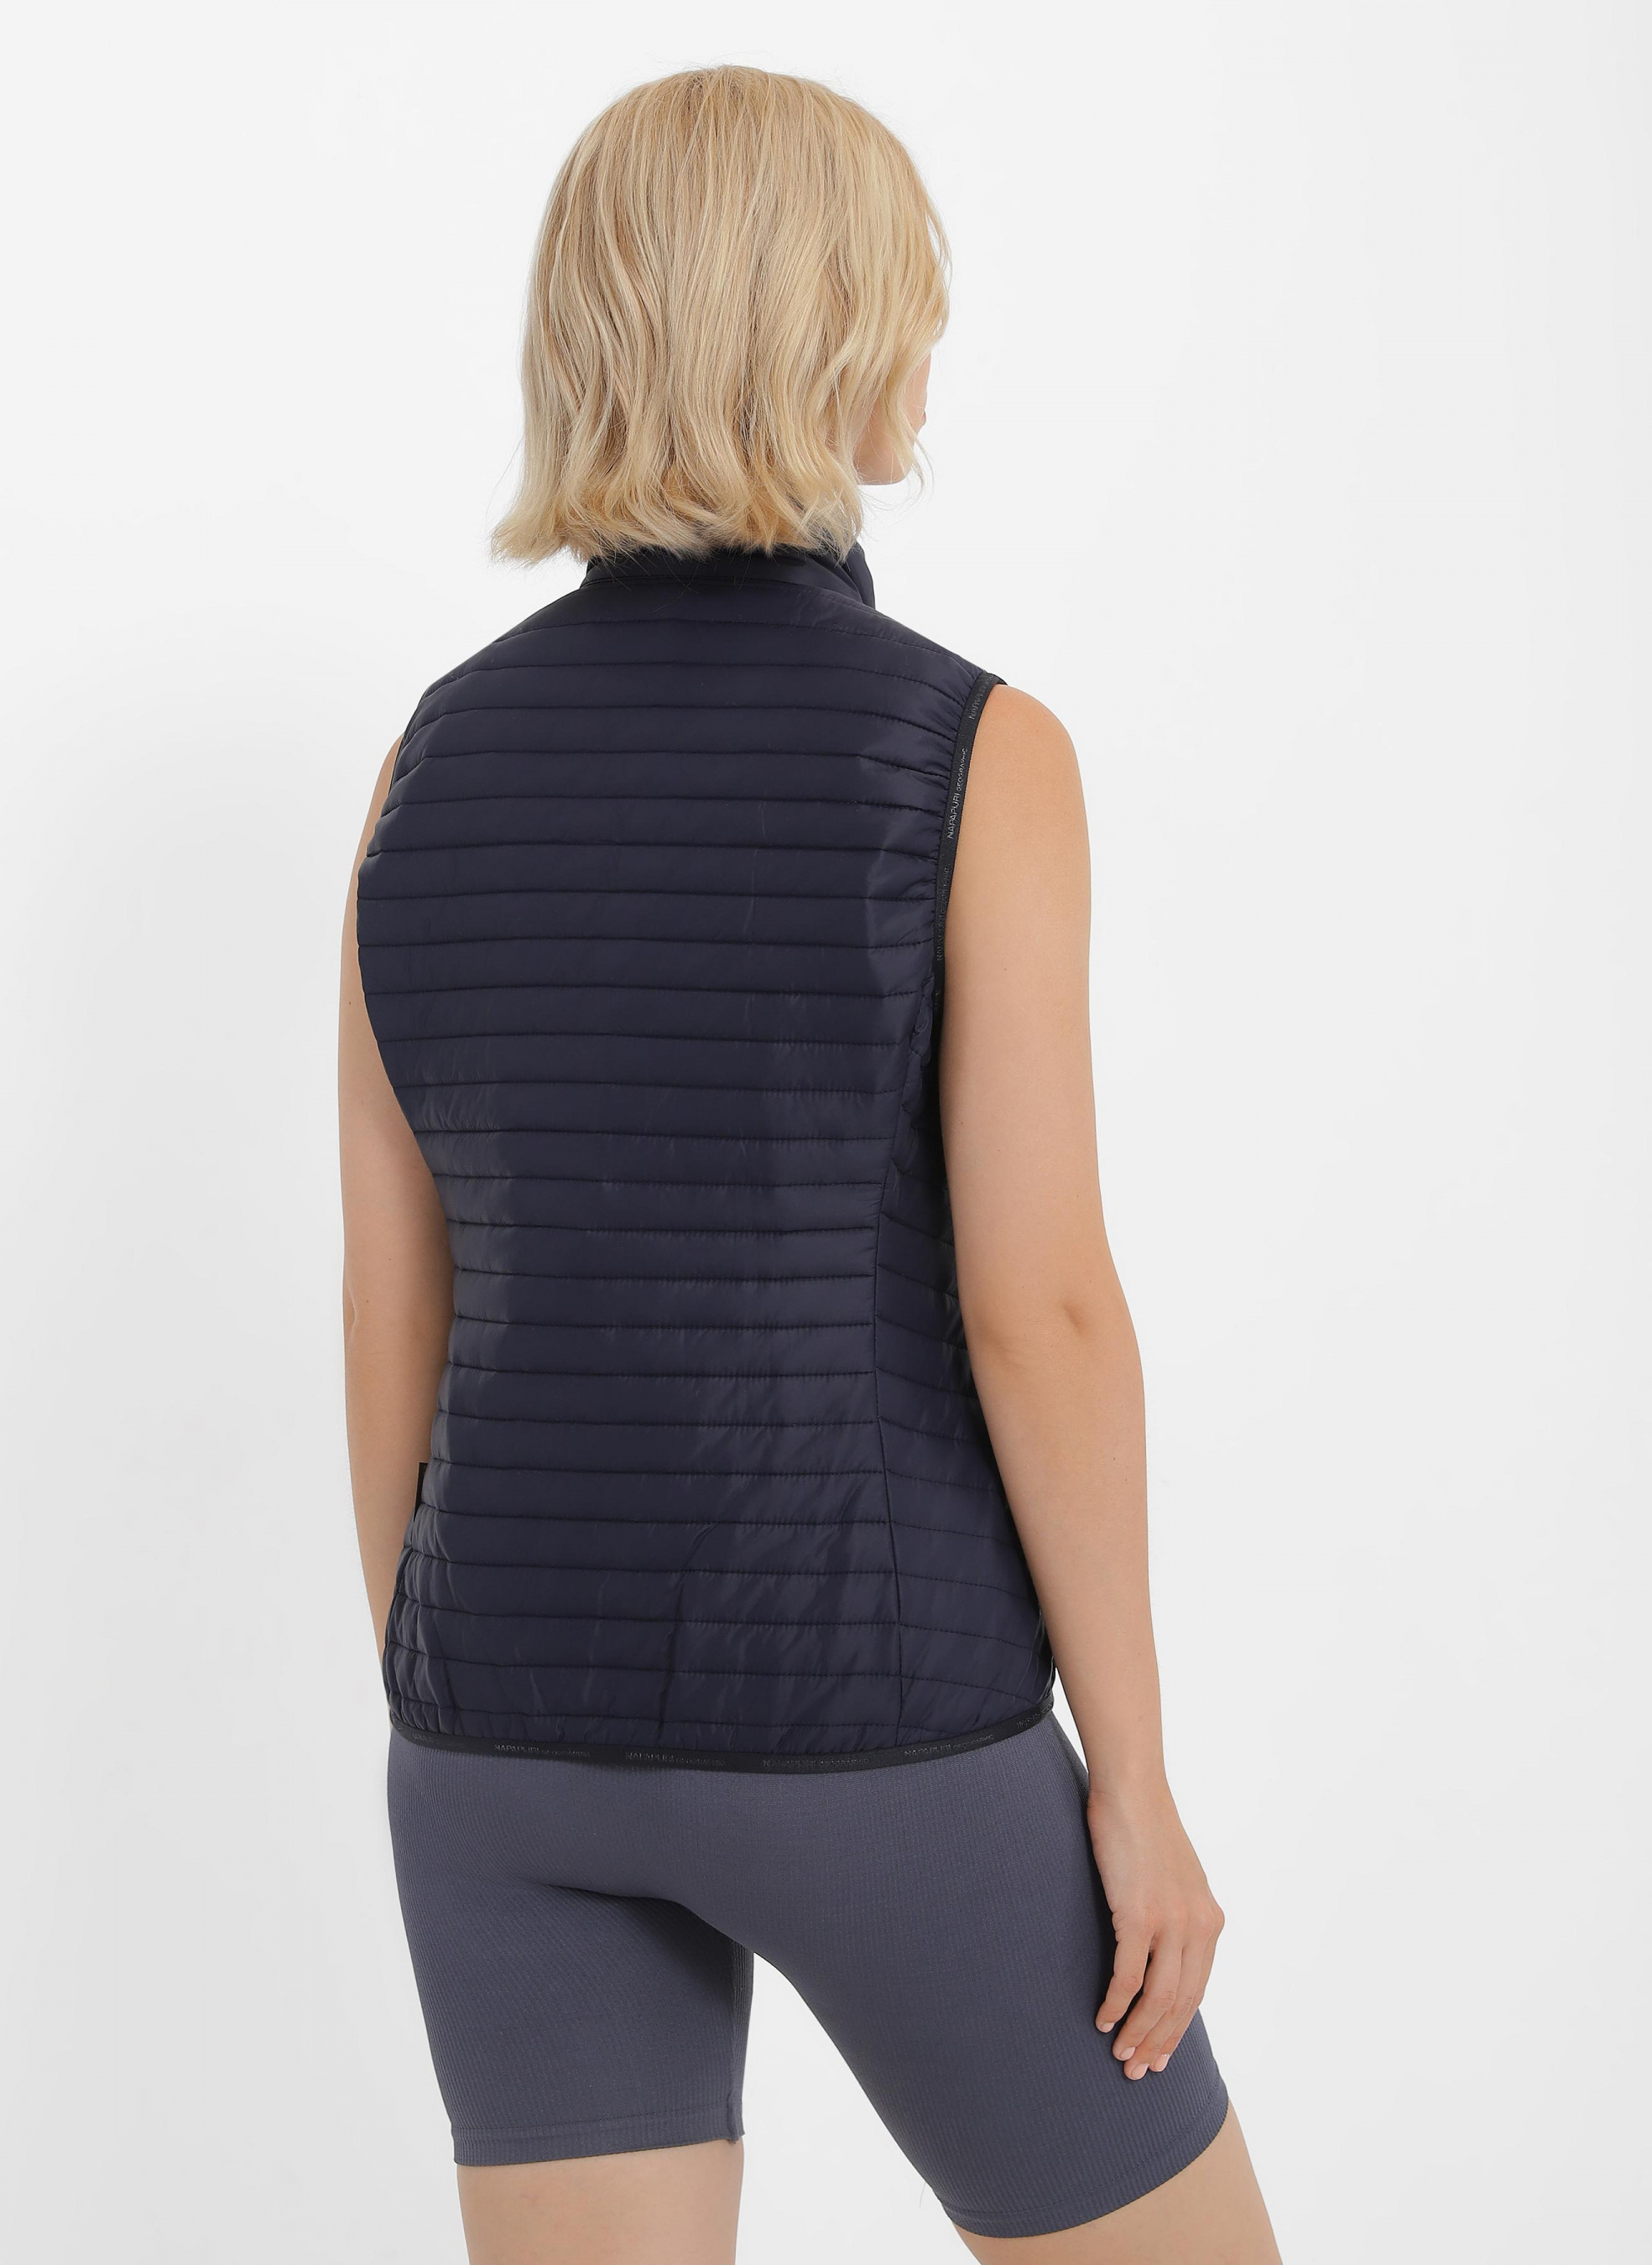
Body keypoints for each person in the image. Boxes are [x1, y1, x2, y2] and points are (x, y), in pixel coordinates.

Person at [338, 65, 1281, 2265]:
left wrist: (447, 1684)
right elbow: (1040, 1308)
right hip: (884, 1737)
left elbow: (400, 1293)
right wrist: (1131, 1781)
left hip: (494, 1753)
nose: (931, 351)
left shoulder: (424, 764)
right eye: (907, 298)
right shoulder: (975, 752)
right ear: (831, 325)